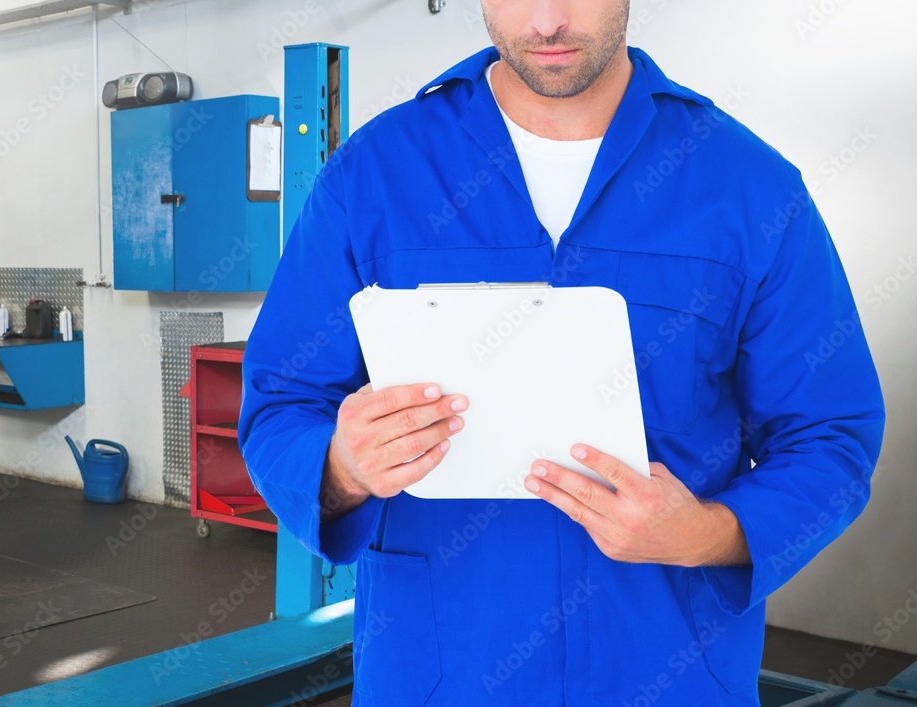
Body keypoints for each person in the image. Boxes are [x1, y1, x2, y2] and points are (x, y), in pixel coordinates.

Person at [237, 1, 885, 704]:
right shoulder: (373, 177)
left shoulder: (748, 189)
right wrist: (342, 464)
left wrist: (708, 533)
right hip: (442, 678)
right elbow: (281, 405)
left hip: (665, 676)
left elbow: (831, 436)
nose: (547, 21)